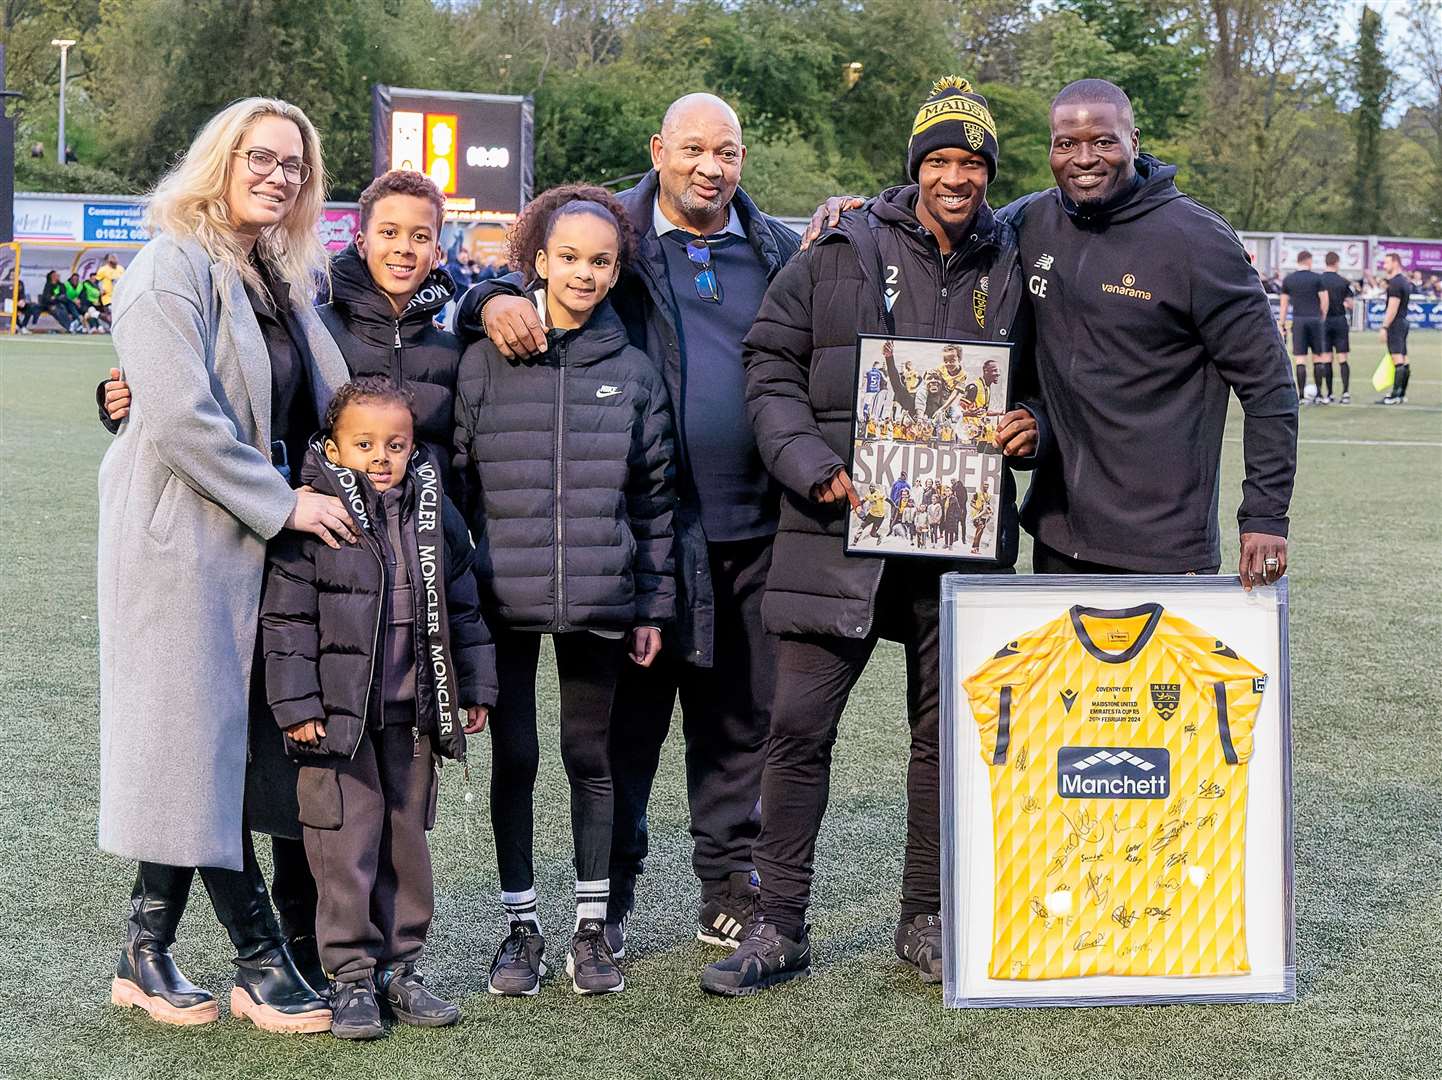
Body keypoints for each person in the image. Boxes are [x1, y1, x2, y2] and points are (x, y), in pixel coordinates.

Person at [701, 77, 1047, 997]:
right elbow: (767, 361)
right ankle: (779, 925)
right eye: (940, 159)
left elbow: (1049, 383)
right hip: (834, 529)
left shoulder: (1017, 263)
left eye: (973, 162)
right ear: (915, 167)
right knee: (798, 729)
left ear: (988, 173)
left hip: (959, 543)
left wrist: (1030, 426)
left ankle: (923, 917)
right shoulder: (838, 245)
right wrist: (810, 462)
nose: (956, 177)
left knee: (943, 736)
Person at [457, 93, 800, 957]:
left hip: (752, 526)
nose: (708, 166)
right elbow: (542, 267)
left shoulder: (777, 250)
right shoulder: (625, 242)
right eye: (692, 148)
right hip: (639, 532)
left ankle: (726, 883)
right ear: (659, 149)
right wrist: (489, 298)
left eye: (726, 151)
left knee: (737, 719)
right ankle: (605, 889)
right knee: (619, 726)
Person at [813, 80, 1298, 584]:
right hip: (1057, 532)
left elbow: (1269, 386)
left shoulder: (1199, 241)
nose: (1084, 158)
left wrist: (1265, 516)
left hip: (1164, 542)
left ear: (1133, 142)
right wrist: (862, 214)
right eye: (1066, 143)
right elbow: (941, 225)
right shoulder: (1030, 219)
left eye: (1103, 141)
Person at [98, 97, 349, 1033]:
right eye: (262, 156)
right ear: (221, 160)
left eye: (294, 163)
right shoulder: (171, 266)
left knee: (204, 748)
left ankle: (145, 948)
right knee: (195, 744)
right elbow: (178, 419)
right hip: (179, 542)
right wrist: (288, 503)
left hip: (248, 543)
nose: (279, 175)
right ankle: (258, 958)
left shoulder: (277, 274)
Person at [453, 185, 676, 996]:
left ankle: (591, 930)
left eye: (601, 260)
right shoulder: (484, 361)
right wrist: (459, 596)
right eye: (570, 257)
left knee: (591, 756)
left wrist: (653, 604)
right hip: (502, 598)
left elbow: (655, 500)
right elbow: (457, 489)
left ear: (618, 271)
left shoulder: (635, 372)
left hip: (600, 599)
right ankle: (520, 929)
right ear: (537, 262)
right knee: (515, 758)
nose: (585, 273)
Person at [261, 378, 495, 1039]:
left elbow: (464, 602)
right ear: (334, 447)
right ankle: (350, 978)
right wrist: (298, 704)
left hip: (412, 712)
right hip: (338, 719)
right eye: (364, 444)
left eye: (396, 443)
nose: (382, 457)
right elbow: (284, 621)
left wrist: (472, 687)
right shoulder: (314, 514)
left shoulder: (431, 507)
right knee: (344, 849)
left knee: (406, 844)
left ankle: (401, 968)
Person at [1279, 251, 1329, 403]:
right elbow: (1325, 300)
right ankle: (1320, 394)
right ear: (1308, 261)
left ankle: (1300, 395)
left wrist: (1282, 323)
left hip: (1299, 320)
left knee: (1300, 358)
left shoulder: (1289, 280)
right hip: (1315, 320)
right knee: (1318, 357)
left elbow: (1284, 304)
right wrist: (1322, 317)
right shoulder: (1317, 278)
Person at [1378, 251, 1413, 405]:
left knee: (1397, 358)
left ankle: (1395, 395)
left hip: (1396, 323)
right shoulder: (1404, 281)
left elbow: (1392, 307)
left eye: (1387, 262)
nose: (1384, 266)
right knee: (1404, 358)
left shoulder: (1395, 284)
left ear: (1395, 263)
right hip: (1403, 321)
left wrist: (1384, 326)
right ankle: (1401, 393)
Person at [1319, 251, 1354, 403]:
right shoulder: (1343, 281)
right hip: (1340, 321)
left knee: (1326, 358)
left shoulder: (1319, 280)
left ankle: (1329, 394)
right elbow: (1351, 304)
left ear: (1326, 262)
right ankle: (1345, 393)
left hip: (1324, 322)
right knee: (1342, 357)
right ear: (1337, 262)